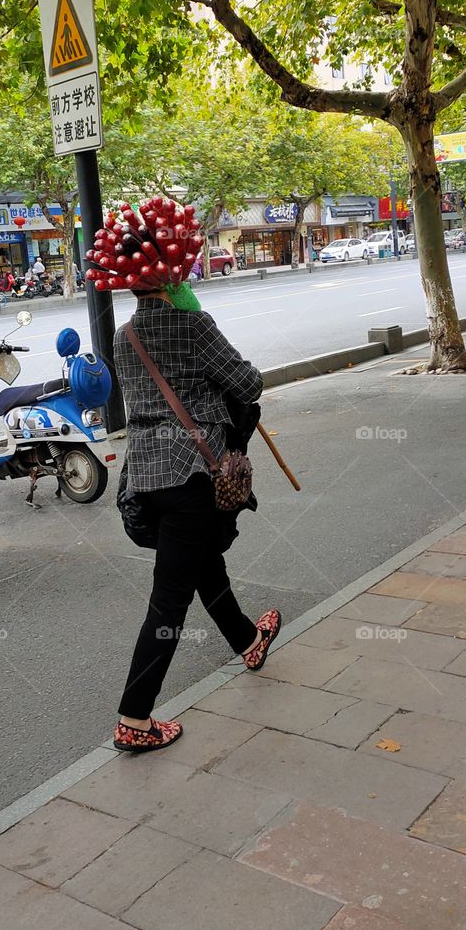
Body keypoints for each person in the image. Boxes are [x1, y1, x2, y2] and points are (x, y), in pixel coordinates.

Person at [87, 197, 281, 754]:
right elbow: (247, 383)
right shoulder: (195, 323)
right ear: (173, 268)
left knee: (201, 566)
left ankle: (248, 640)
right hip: (196, 472)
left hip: (146, 477)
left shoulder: (124, 337)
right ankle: (135, 718)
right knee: (170, 600)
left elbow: (143, 398)